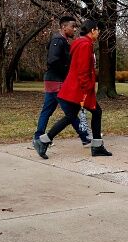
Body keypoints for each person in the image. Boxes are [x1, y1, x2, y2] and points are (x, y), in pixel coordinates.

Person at [36, 19, 112, 159]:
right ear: (93, 30)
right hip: (79, 89)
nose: (99, 33)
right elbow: (83, 70)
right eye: (98, 31)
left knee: (70, 116)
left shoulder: (78, 42)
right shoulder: (85, 44)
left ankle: (44, 140)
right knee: (96, 112)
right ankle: (96, 147)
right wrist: (86, 88)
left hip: (73, 87)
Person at [33, 16, 91, 159]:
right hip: (57, 82)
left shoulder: (62, 40)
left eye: (76, 27)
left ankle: (38, 136)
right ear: (64, 27)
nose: (75, 29)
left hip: (54, 81)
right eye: (73, 26)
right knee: (70, 113)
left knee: (48, 110)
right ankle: (84, 137)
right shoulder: (58, 40)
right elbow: (52, 60)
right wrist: (67, 73)